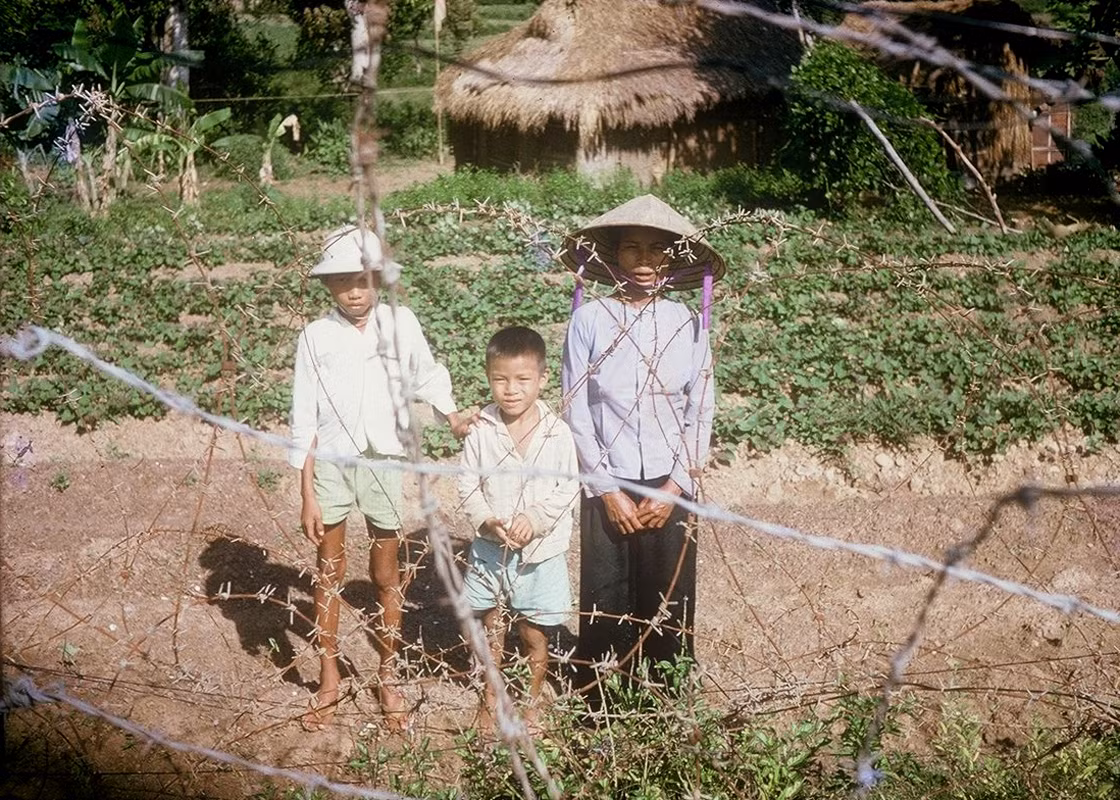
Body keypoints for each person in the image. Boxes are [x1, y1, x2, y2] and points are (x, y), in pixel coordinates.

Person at [289, 224, 474, 732]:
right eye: (343, 281)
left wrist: (452, 414)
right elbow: (303, 418)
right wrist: (307, 493)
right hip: (330, 463)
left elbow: (428, 374)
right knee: (327, 570)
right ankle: (328, 677)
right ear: (327, 285)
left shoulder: (401, 323)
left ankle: (386, 674)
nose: (355, 291)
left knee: (385, 574)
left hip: (383, 461)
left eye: (365, 279)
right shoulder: (315, 337)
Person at [559, 194, 725, 697]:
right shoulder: (590, 321)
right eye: (632, 248)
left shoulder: (685, 323)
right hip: (607, 478)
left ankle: (667, 700)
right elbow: (576, 406)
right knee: (606, 595)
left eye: (657, 250)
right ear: (613, 255)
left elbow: (701, 408)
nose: (645, 261)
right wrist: (608, 490)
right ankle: (604, 707)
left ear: (673, 257)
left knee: (669, 599)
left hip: (670, 481)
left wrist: (674, 485)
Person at [458, 326, 579, 730]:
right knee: (493, 627)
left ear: (543, 379)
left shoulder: (556, 432)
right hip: (492, 550)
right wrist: (487, 520)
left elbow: (567, 488)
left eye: (523, 380)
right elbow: (466, 486)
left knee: (533, 632)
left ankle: (532, 698)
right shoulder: (480, 431)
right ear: (488, 377)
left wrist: (535, 519)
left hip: (540, 554)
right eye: (500, 380)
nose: (511, 390)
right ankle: (491, 695)